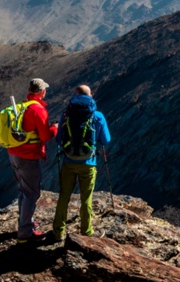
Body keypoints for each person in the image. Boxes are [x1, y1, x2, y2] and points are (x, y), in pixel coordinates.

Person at [53, 84, 111, 240]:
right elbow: (106, 140)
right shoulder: (97, 116)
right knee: (86, 198)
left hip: (68, 163)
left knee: (64, 197)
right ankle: (87, 231)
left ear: (75, 96)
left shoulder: (66, 115)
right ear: (90, 96)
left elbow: (58, 140)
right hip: (88, 164)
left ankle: (58, 231)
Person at [8, 78, 58, 243]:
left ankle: (25, 222)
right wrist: (55, 128)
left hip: (14, 153)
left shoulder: (23, 106)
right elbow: (45, 135)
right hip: (27, 156)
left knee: (24, 190)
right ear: (42, 92)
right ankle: (25, 232)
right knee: (32, 193)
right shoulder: (38, 110)